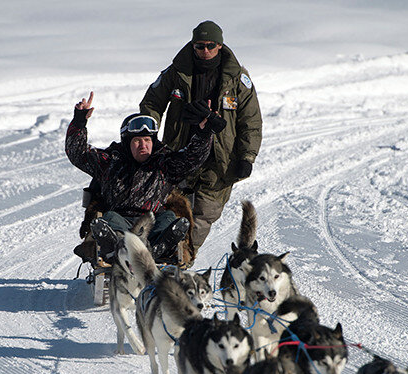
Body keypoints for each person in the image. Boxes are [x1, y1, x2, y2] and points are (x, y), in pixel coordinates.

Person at [139, 20, 262, 261]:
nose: (205, 51)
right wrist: (149, 134)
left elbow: (251, 121)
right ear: (193, 46)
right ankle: (156, 258)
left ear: (220, 46)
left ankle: (180, 261)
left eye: (210, 46)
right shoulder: (176, 73)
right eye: (199, 46)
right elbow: (151, 103)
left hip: (219, 160)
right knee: (171, 210)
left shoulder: (237, 79)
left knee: (205, 214)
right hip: (180, 153)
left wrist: (247, 157)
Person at [65, 91, 225, 263]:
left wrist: (204, 133)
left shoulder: (165, 163)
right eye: (137, 141)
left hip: (153, 222)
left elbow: (193, 157)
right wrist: (80, 120)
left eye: (148, 140)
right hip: (121, 220)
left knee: (169, 218)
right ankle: (121, 246)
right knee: (109, 217)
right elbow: (78, 152)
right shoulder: (110, 162)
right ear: (127, 142)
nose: (143, 145)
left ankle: (157, 248)